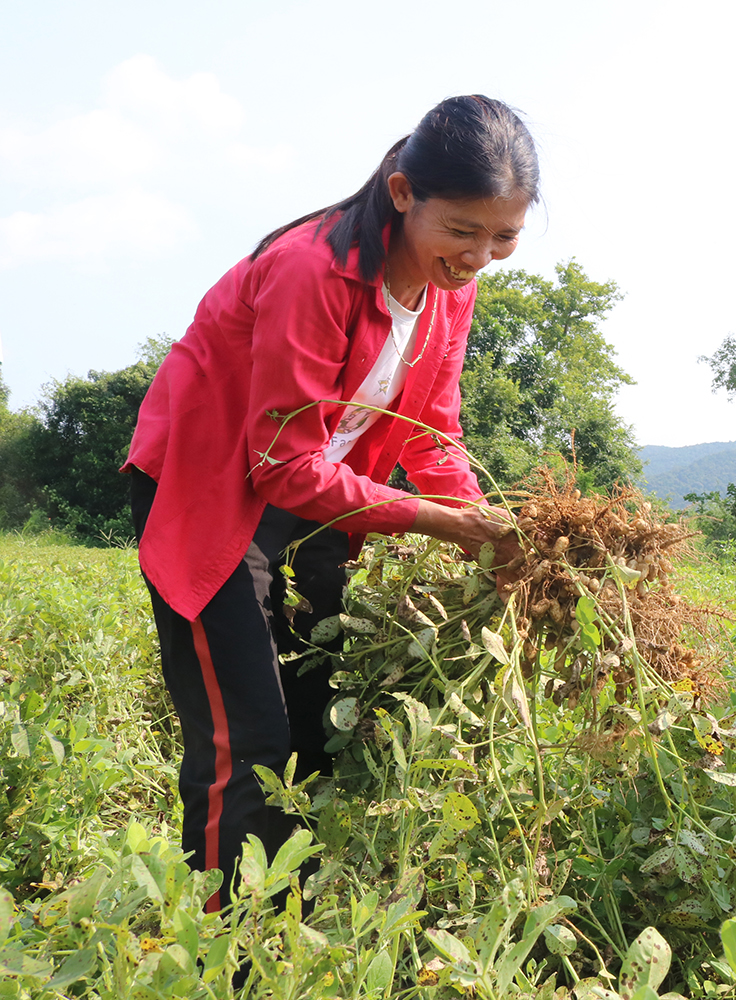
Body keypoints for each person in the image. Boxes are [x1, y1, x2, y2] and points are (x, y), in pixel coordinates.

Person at [124, 95, 536, 910]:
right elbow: (279, 462)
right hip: (214, 486)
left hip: (326, 491)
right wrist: (437, 521)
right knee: (250, 734)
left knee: (315, 710)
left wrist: (484, 527)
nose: (480, 256)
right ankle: (224, 941)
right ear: (401, 191)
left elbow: (430, 430)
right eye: (462, 231)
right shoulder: (312, 268)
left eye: (505, 236)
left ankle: (288, 913)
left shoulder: (451, 291)